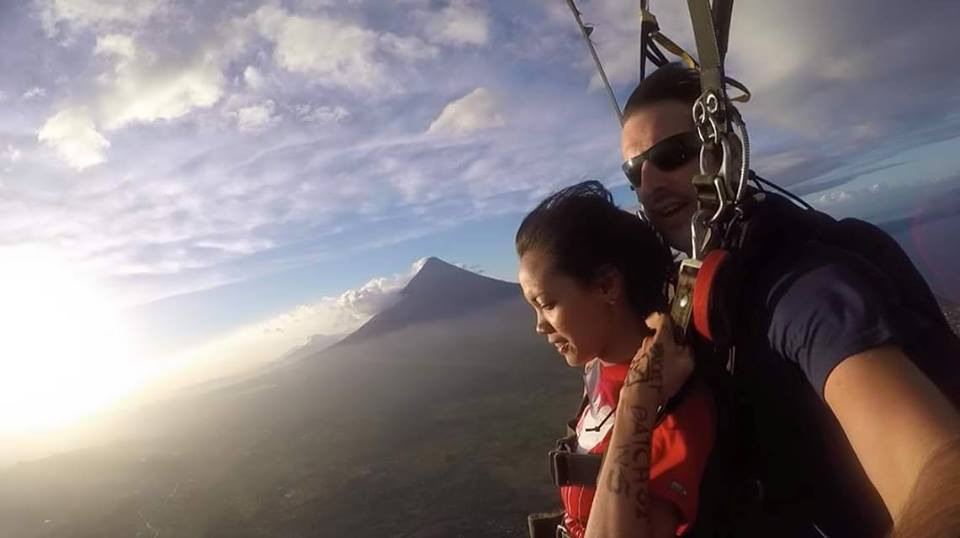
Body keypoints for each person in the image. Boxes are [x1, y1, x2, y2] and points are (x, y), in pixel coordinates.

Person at [611, 62, 960, 537]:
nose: (648, 184)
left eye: (672, 154)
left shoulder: (798, 289)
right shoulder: (714, 286)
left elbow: (939, 471)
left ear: (727, 153)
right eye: (634, 171)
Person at [516, 181, 716, 537]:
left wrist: (639, 396)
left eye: (547, 304)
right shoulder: (599, 370)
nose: (539, 327)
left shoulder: (676, 409)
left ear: (608, 286)